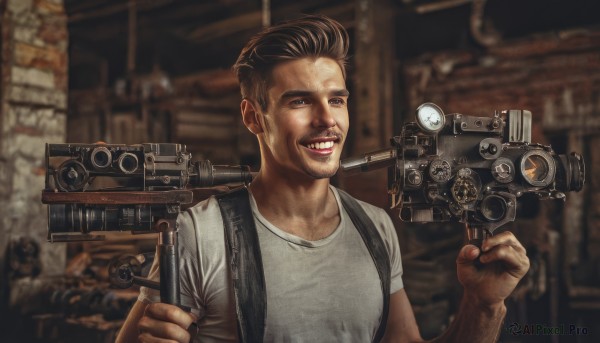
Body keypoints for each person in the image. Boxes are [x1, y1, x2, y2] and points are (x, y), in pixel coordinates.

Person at [116, 14, 529, 343]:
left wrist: (482, 305)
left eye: (336, 100)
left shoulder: (376, 227)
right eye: (299, 101)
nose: (327, 120)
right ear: (252, 116)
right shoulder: (198, 233)